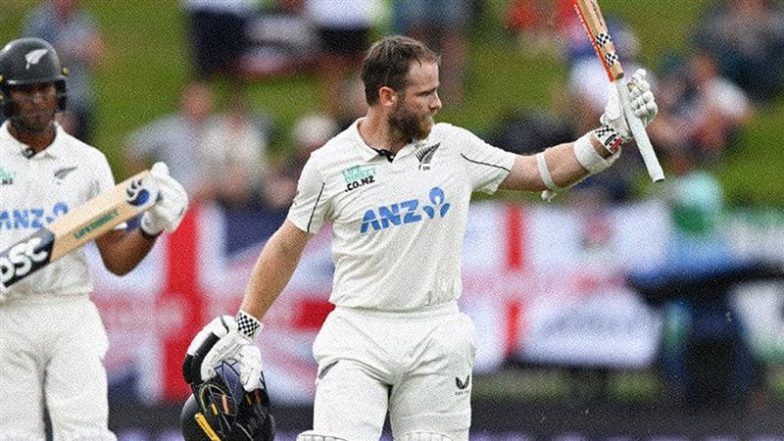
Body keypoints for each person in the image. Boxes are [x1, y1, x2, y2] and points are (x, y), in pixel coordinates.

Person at [182, 35, 658, 440]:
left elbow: (541, 170)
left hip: (436, 333)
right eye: (426, 93)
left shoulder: (453, 148)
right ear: (387, 96)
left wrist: (610, 135)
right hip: (358, 333)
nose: (438, 102)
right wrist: (247, 325)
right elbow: (287, 244)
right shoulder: (329, 163)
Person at [0, 37, 188, 440]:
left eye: (45, 88)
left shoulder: (88, 162)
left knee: (85, 433)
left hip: (70, 310)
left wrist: (152, 226)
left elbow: (116, 260)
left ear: (60, 91)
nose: (36, 99)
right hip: (7, 314)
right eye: (25, 90)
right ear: (6, 94)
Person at [22, 0, 105, 144]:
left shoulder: (84, 20)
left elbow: (96, 54)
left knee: (83, 151)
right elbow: (34, 60)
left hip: (81, 97)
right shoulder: (39, 22)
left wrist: (69, 52)